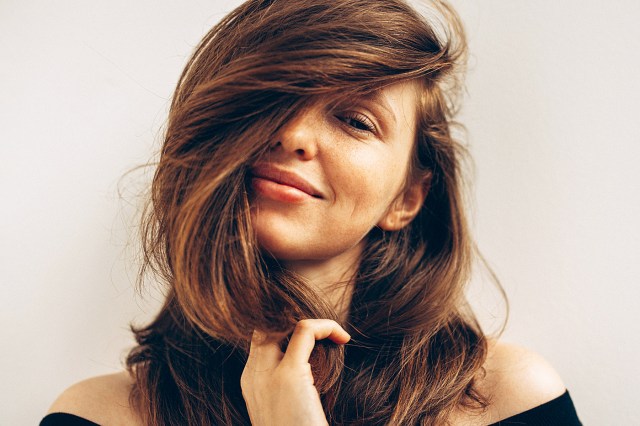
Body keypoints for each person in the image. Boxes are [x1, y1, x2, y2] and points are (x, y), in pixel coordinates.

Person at [42, 0, 581, 424]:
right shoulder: (97, 417)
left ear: (405, 199)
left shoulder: (507, 401)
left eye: (355, 120)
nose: (295, 135)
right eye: (270, 99)